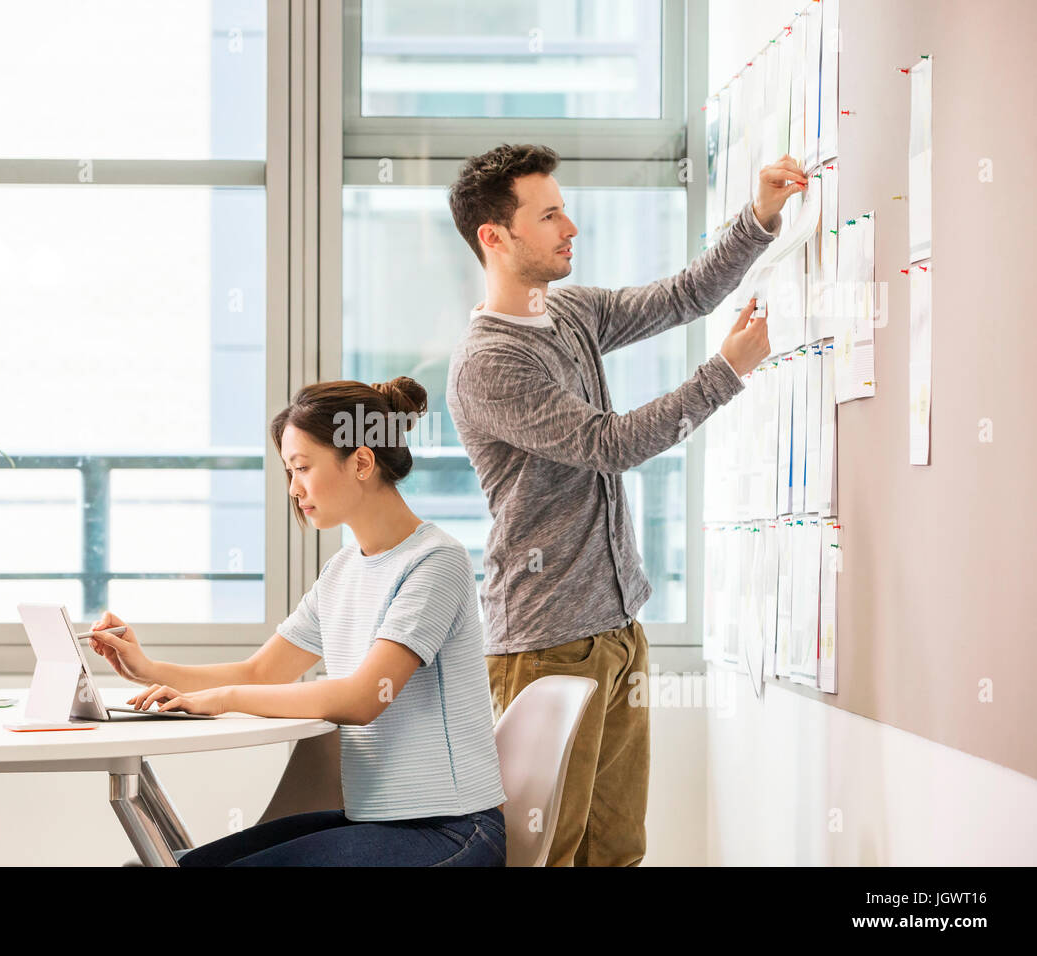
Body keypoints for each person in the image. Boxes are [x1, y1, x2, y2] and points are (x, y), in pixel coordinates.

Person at [444, 142, 804, 866]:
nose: (570, 226)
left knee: (615, 851)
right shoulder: (490, 363)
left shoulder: (570, 312)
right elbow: (609, 443)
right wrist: (725, 373)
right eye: (549, 215)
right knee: (547, 853)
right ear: (495, 236)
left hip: (615, 628)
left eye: (565, 209)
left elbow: (682, 297)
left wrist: (760, 217)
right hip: (544, 642)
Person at [87, 377, 507, 866]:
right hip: (377, 825)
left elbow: (365, 697)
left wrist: (223, 701)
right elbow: (262, 672)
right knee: (165, 863)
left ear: (363, 462)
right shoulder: (343, 571)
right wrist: (148, 668)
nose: (294, 488)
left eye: (303, 468)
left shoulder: (436, 562)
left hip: (454, 832)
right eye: (290, 470)